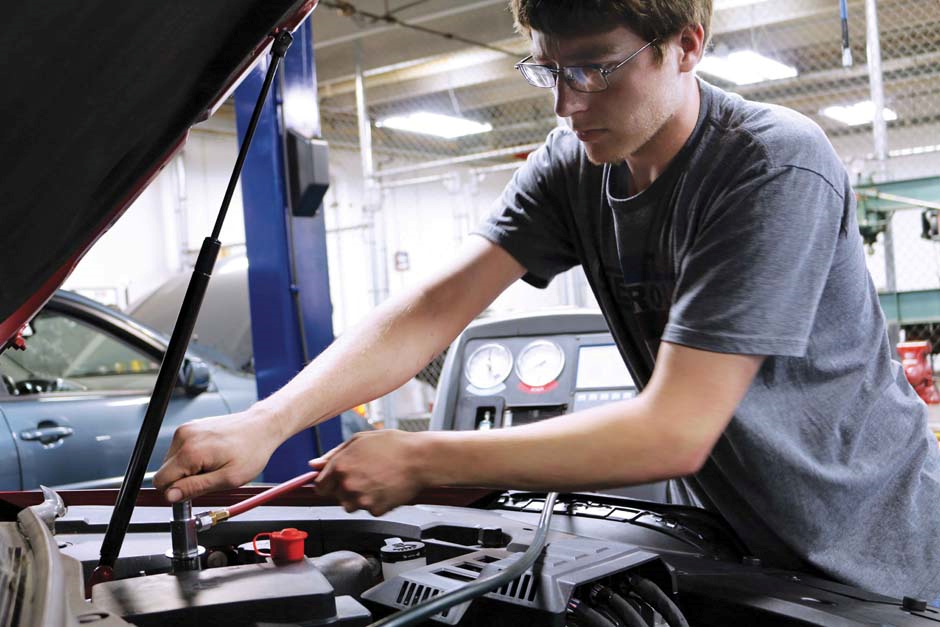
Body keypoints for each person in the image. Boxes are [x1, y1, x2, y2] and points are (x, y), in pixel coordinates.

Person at [154, 0, 940, 602]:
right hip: (740, 544)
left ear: (687, 46)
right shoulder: (574, 166)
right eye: (549, 69)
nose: (567, 104)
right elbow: (437, 305)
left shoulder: (771, 167)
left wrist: (421, 459)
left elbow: (674, 429)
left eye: (596, 67)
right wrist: (267, 421)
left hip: (876, 558)